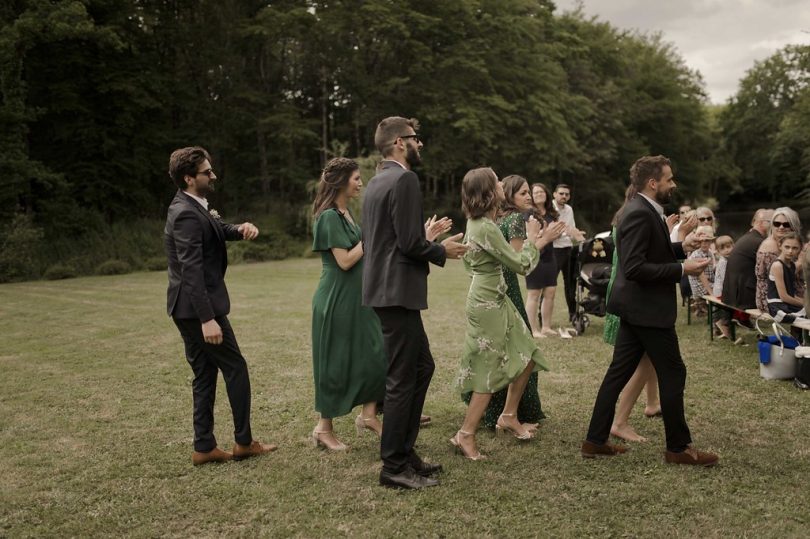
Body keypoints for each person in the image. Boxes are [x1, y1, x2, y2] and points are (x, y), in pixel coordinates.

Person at [582, 155, 719, 467]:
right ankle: (679, 448)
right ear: (652, 183)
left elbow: (649, 252)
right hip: (645, 309)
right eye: (669, 179)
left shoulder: (647, 210)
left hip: (637, 307)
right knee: (673, 372)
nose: (673, 184)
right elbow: (634, 267)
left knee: (617, 374)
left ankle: (594, 440)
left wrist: (678, 249)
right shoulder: (639, 213)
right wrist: (681, 268)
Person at [361, 116, 466, 490]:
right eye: (415, 139)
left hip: (386, 290)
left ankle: (405, 453)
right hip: (396, 291)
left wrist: (427, 243)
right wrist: (442, 250)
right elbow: (408, 244)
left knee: (422, 366)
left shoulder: (376, 181)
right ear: (399, 143)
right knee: (403, 378)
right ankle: (393, 467)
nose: (420, 144)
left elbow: (391, 239)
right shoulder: (404, 179)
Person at [165, 146, 276, 466]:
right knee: (236, 367)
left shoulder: (193, 205)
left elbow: (215, 229)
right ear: (189, 178)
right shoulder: (185, 213)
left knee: (204, 373)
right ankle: (244, 442)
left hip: (186, 309)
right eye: (206, 172)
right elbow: (191, 271)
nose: (213, 175)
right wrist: (207, 318)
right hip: (196, 309)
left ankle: (204, 446)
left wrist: (238, 230)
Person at [453, 167, 553, 460]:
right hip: (488, 303)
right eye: (497, 182)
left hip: (495, 296)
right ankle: (465, 434)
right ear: (488, 191)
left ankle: (509, 415)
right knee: (489, 368)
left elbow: (470, 265)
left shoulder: (480, 223)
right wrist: (535, 240)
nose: (501, 184)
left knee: (528, 354)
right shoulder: (484, 227)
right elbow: (520, 265)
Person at [471, 176, 565, 432]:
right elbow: (518, 261)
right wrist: (541, 239)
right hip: (505, 289)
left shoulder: (493, 220)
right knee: (518, 353)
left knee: (503, 352)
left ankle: (502, 412)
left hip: (493, 288)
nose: (529, 197)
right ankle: (510, 413)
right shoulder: (513, 220)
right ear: (509, 195)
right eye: (523, 192)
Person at [309, 158, 387, 451]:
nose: (360, 183)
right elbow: (344, 261)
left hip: (360, 298)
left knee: (377, 352)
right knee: (335, 362)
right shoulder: (329, 216)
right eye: (356, 178)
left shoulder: (346, 213)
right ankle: (323, 428)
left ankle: (368, 415)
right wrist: (371, 236)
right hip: (336, 299)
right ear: (341, 181)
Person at [603, 185, 661, 444]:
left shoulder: (624, 216)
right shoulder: (637, 217)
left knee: (647, 358)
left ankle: (652, 402)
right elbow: (647, 260)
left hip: (624, 292)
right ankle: (620, 421)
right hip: (632, 296)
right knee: (640, 359)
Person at [525, 183, 562, 338]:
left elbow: (556, 234)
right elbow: (528, 236)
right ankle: (533, 330)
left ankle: (546, 326)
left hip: (550, 257)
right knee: (534, 293)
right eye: (536, 192)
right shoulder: (528, 214)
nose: (539, 194)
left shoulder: (552, 213)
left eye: (542, 191)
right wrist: (543, 233)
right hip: (534, 257)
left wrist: (558, 232)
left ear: (547, 194)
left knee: (550, 292)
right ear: (532, 196)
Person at [722, 209, 772, 313]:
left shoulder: (749, 237)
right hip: (743, 297)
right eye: (772, 222)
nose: (774, 226)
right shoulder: (760, 242)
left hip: (731, 293)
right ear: (761, 223)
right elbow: (771, 269)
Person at [756, 207, 802, 312]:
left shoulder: (788, 243)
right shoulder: (770, 246)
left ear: (793, 226)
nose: (781, 227)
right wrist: (800, 263)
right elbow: (778, 277)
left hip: (786, 292)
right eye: (777, 224)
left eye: (786, 224)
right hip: (770, 298)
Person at [552, 184, 584, 322]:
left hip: (568, 249)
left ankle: (573, 314)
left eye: (566, 194)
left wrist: (572, 234)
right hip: (553, 250)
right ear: (554, 194)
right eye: (561, 193)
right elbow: (555, 232)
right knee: (550, 284)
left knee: (570, 283)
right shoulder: (550, 208)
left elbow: (572, 230)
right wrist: (567, 232)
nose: (564, 196)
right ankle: (543, 317)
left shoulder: (569, 209)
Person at [767, 233, 806, 323]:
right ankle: (800, 337)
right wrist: (805, 304)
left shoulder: (791, 265)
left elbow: (791, 294)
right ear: (780, 246)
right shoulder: (778, 265)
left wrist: (805, 302)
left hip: (787, 304)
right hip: (777, 307)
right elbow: (784, 296)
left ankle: (799, 337)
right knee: (806, 316)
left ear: (800, 249)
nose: (790, 251)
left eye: (795, 248)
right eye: (787, 247)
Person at [687, 225, 717, 317]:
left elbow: (713, 270)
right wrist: (711, 293)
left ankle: (727, 316)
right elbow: (702, 276)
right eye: (701, 241)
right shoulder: (696, 254)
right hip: (700, 286)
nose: (704, 243)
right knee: (722, 291)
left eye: (707, 241)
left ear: (711, 241)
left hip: (709, 283)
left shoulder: (710, 253)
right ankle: (719, 318)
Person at [711, 235, 735, 338]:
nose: (727, 250)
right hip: (722, 291)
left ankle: (717, 328)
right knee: (727, 309)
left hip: (721, 290)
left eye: (729, 247)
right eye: (723, 248)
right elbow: (726, 279)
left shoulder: (728, 260)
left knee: (720, 310)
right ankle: (724, 326)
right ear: (718, 251)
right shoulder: (723, 262)